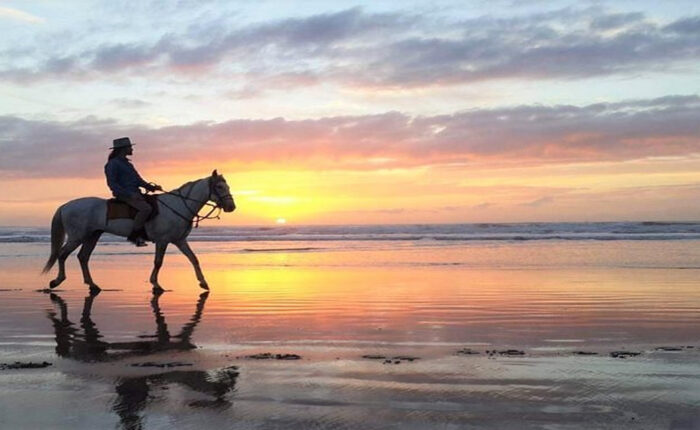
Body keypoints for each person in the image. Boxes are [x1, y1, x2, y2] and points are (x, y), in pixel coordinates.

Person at [104, 137, 162, 246]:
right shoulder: (113, 164)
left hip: (135, 193)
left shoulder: (128, 164)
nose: (132, 149)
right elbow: (112, 184)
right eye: (130, 147)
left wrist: (151, 187)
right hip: (124, 195)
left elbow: (138, 180)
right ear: (123, 149)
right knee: (146, 209)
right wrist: (129, 194)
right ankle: (134, 235)